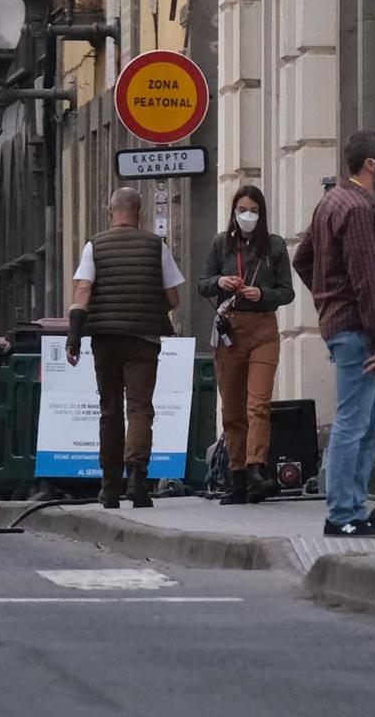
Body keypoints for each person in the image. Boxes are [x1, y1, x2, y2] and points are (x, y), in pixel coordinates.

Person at [293, 131, 375, 538]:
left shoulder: (331, 202)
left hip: (349, 326)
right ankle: (342, 513)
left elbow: (303, 258)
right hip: (360, 331)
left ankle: (354, 506)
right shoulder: (356, 208)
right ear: (370, 164)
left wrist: (325, 296)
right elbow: (368, 279)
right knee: (355, 423)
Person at [66, 188, 185, 510]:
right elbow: (174, 299)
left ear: (110, 212)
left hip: (105, 338)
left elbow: (83, 290)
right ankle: (137, 477)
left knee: (109, 409)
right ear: (139, 212)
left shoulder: (95, 245)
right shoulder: (155, 246)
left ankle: (109, 488)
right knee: (140, 408)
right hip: (144, 339)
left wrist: (73, 338)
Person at [199, 186, 295, 506]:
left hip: (263, 328)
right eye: (242, 209)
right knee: (233, 406)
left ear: (262, 213)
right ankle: (236, 475)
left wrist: (263, 294)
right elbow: (203, 283)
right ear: (233, 212)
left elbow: (287, 292)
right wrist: (220, 283)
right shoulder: (220, 244)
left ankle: (257, 468)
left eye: (253, 210)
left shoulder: (275, 245)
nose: (247, 215)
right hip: (230, 329)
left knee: (259, 402)